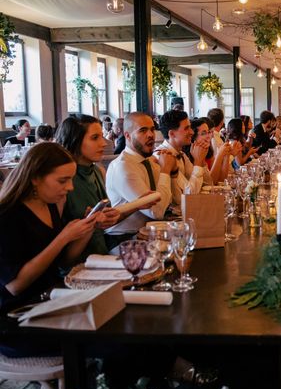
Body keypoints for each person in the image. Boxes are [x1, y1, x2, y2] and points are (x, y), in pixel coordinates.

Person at [0, 143, 97, 314]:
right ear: (35, 177)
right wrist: (63, 238)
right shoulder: (8, 215)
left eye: (71, 179)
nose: (70, 187)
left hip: (51, 298)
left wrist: (88, 226)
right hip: (19, 311)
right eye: (62, 180)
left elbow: (63, 261)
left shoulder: (49, 203)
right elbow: (15, 286)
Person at [56, 116, 122, 257]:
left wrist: (112, 216)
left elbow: (103, 223)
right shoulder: (62, 181)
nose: (103, 143)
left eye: (102, 136)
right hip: (76, 263)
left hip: (101, 255)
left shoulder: (97, 171)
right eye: (94, 138)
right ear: (75, 141)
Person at [105, 112, 175, 243]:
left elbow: (170, 201)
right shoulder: (123, 167)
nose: (150, 135)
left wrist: (174, 171)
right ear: (127, 136)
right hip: (123, 239)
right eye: (143, 130)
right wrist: (166, 170)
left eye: (152, 129)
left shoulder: (147, 162)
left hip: (149, 235)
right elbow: (157, 212)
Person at [156, 110, 210, 204]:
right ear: (172, 134)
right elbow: (189, 196)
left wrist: (201, 161)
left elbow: (208, 184)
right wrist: (197, 162)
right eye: (186, 128)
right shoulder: (162, 156)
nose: (192, 132)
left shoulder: (182, 155)